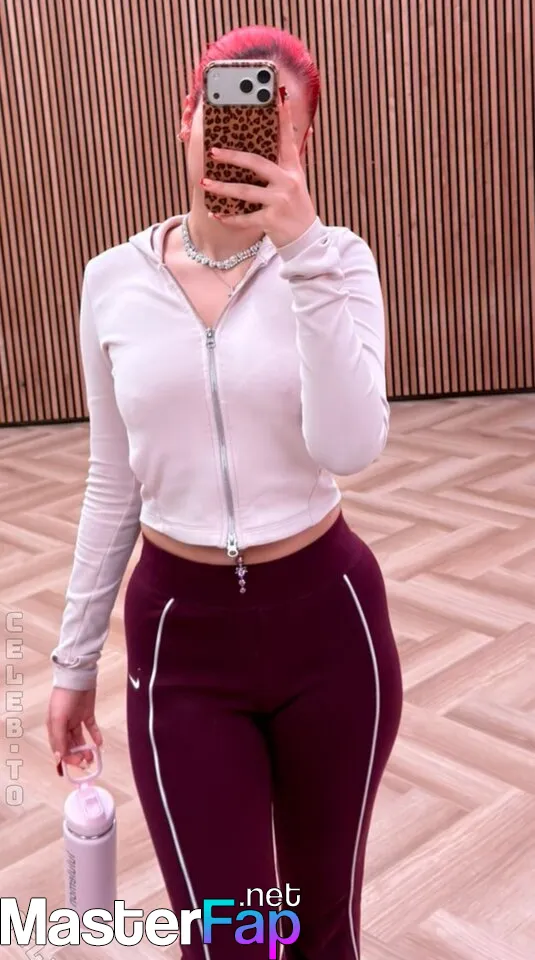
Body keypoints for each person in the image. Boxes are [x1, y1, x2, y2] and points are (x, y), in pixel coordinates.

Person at [47, 24, 403, 960]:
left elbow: (350, 447)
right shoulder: (111, 282)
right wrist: (73, 661)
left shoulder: (337, 262)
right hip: (182, 639)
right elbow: (112, 478)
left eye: (271, 123)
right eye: (224, 109)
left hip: (331, 627)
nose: (237, 139)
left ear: (299, 144)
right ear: (187, 117)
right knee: (229, 940)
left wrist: (305, 254)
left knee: (321, 930)